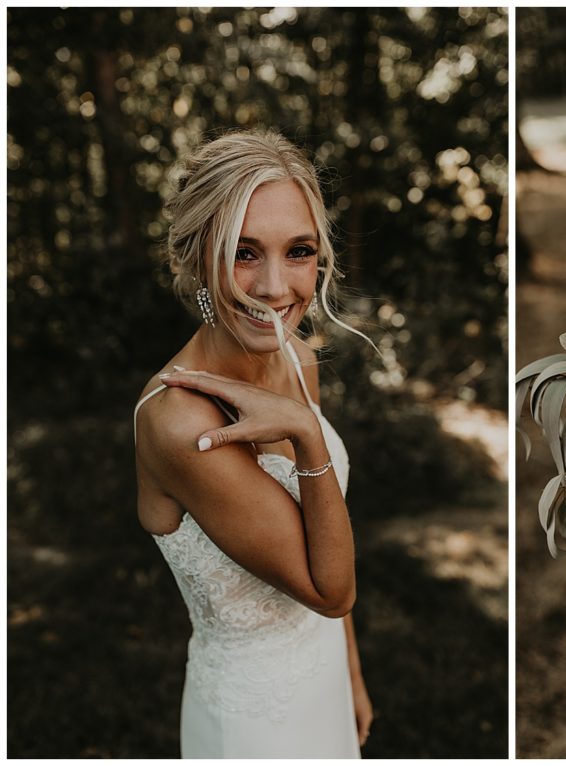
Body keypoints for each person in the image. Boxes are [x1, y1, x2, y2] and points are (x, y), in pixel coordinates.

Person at [133, 130, 374, 758]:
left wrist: (349, 670)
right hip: (252, 719)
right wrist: (305, 431)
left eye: (298, 251)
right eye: (244, 253)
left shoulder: (296, 357)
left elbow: (328, 543)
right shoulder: (179, 425)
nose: (274, 288)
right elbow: (332, 590)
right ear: (194, 256)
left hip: (320, 672)